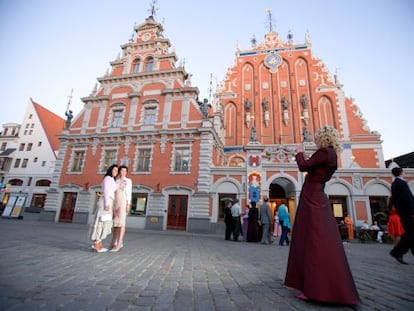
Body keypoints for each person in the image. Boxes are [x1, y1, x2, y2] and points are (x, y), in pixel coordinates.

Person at [284, 126, 360, 305]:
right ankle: (315, 285)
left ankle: (315, 289)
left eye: (318, 137)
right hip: (317, 194)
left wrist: (300, 151)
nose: (316, 140)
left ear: (324, 138)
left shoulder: (324, 152)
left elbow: (304, 166)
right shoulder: (331, 154)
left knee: (313, 240)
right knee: (318, 239)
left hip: (312, 196)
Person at [90, 164, 118, 253]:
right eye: (114, 170)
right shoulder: (107, 178)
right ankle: (96, 244)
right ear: (110, 170)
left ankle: (99, 244)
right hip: (106, 202)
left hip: (109, 202)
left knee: (104, 221)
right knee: (101, 221)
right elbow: (106, 191)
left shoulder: (112, 180)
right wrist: (107, 203)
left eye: (117, 171)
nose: (115, 172)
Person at [389, 167, 414, 265]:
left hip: (403, 212)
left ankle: (397, 252)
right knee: (410, 233)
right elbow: (407, 198)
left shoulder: (395, 183)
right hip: (407, 213)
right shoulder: (401, 183)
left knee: (410, 234)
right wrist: (412, 211)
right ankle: (397, 252)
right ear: (401, 172)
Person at [110, 165, 132, 252]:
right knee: (115, 223)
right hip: (116, 202)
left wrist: (128, 203)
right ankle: (113, 241)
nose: (123, 172)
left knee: (122, 223)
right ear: (119, 172)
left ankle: (120, 242)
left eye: (125, 171)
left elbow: (129, 192)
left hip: (123, 202)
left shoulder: (128, 181)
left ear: (126, 172)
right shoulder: (116, 180)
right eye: (122, 171)